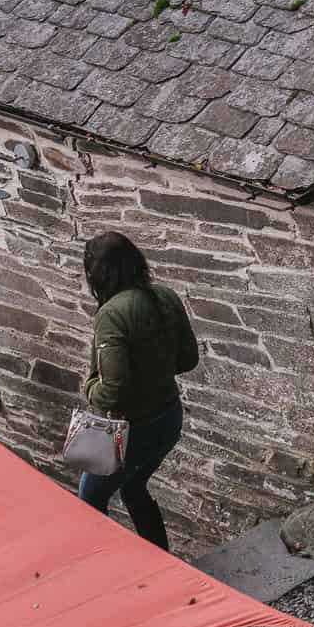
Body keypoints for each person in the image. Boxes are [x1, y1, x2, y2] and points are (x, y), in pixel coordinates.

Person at [78, 230, 201, 551]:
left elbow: (112, 391)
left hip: (132, 429)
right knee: (134, 488)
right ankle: (162, 558)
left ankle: (110, 572)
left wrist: (90, 387)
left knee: (88, 501)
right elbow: (188, 359)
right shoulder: (166, 296)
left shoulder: (111, 314)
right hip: (169, 418)